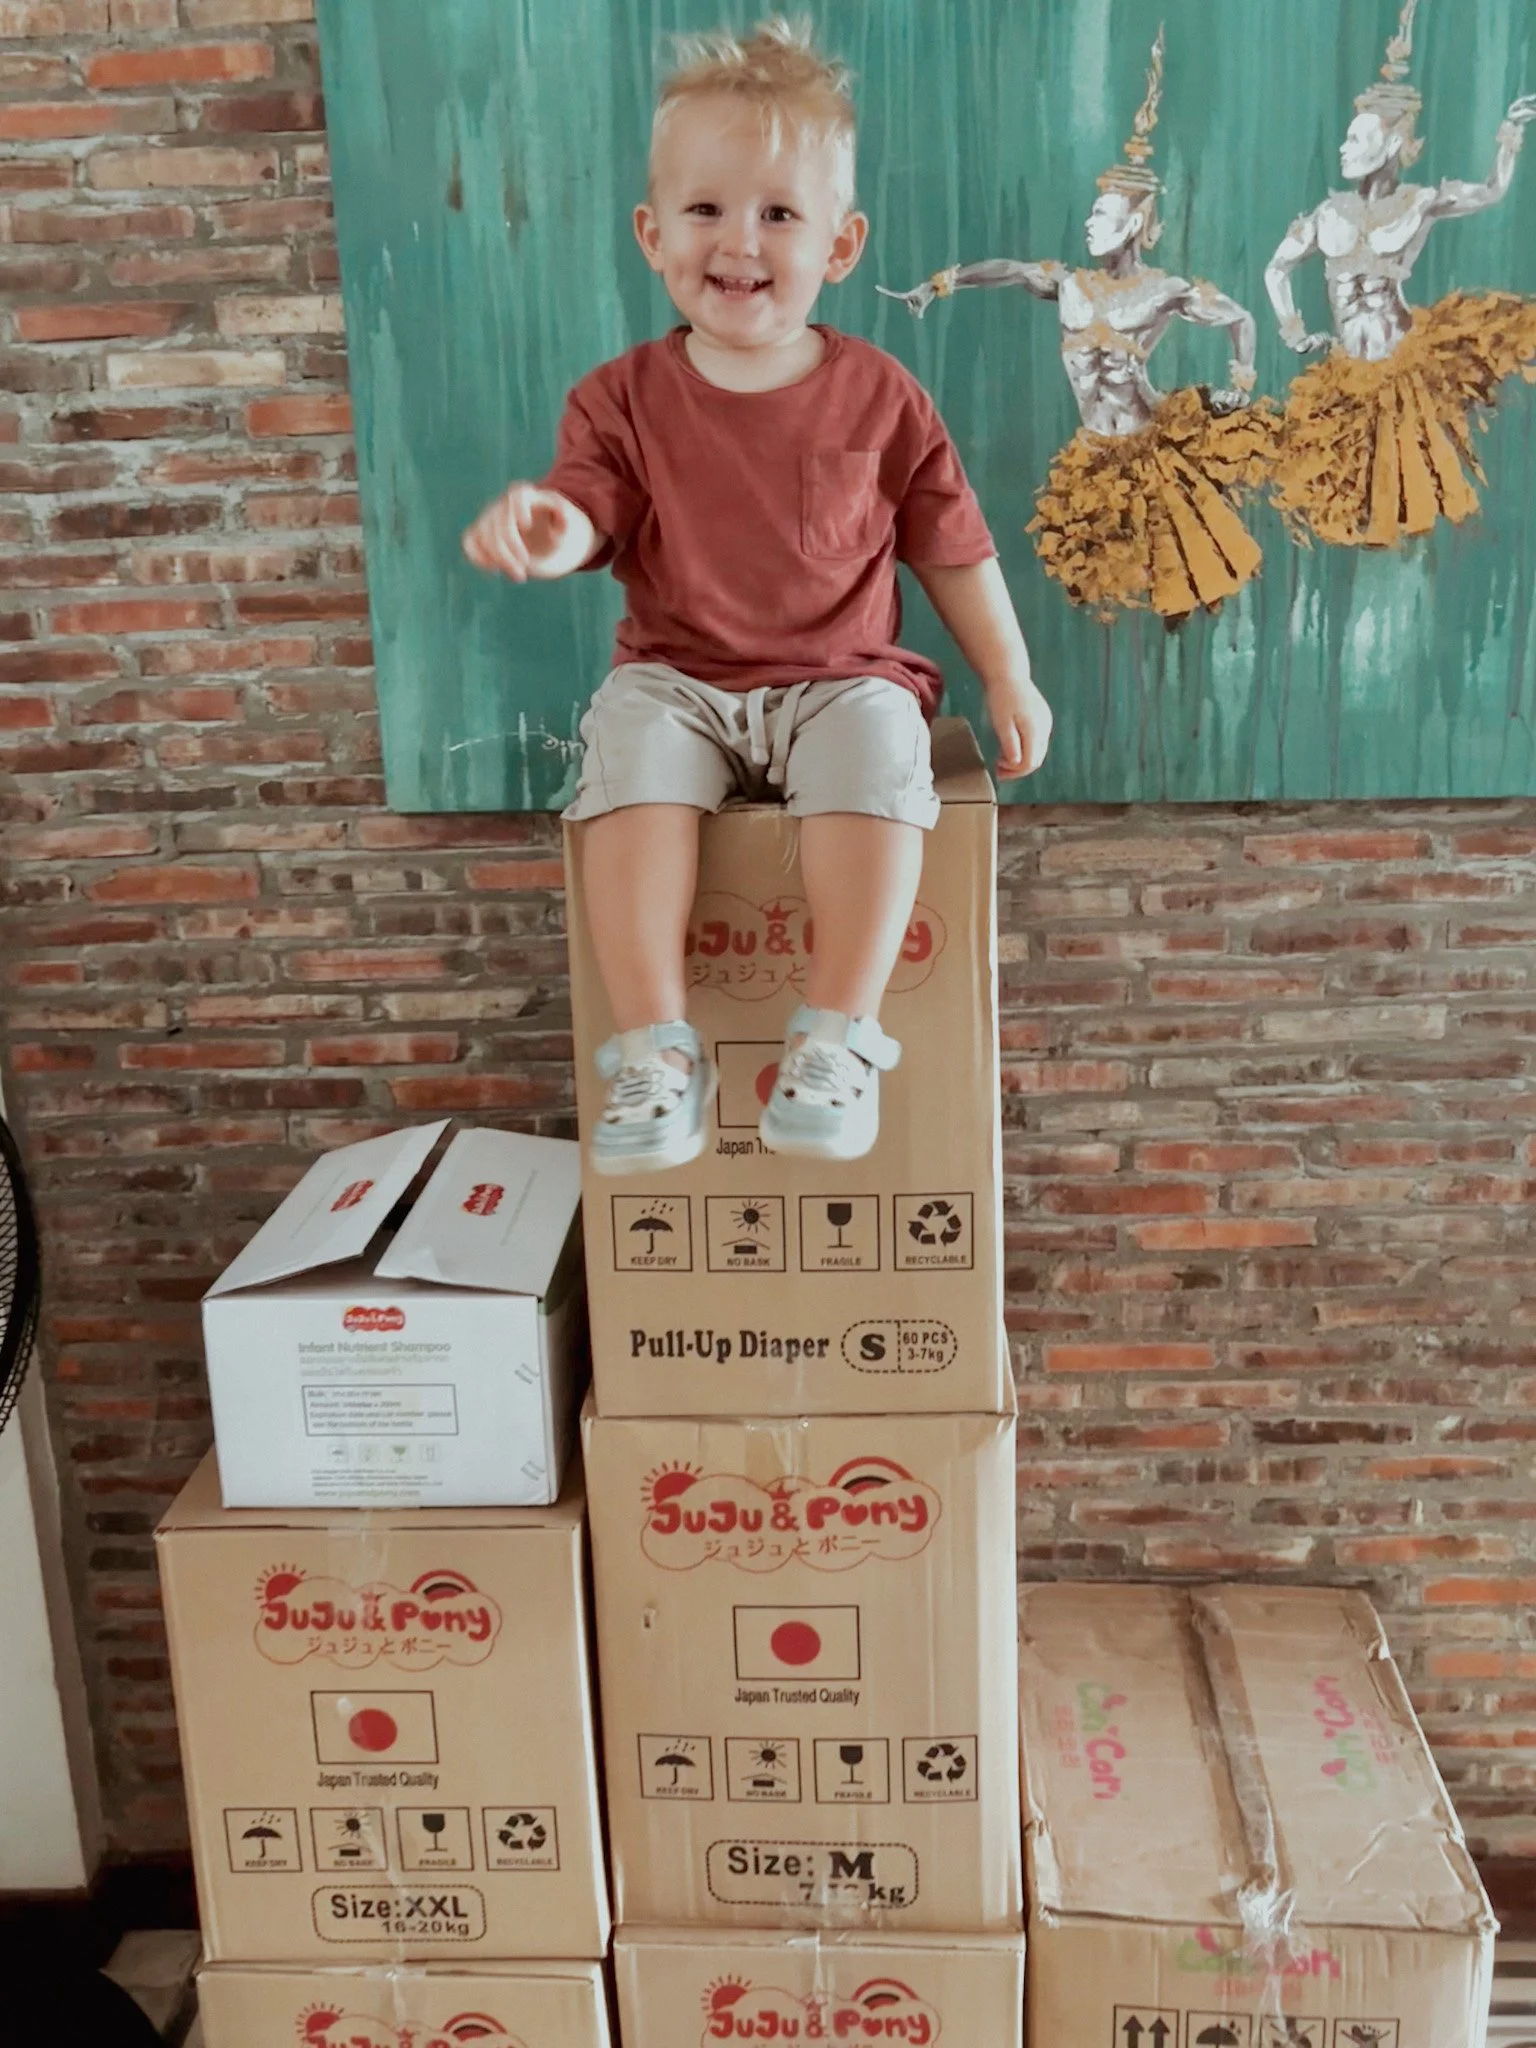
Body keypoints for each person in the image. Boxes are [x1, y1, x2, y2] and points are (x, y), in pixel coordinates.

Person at [463, 17, 1051, 1175]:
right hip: (679, 678)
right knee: (622, 753)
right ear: (653, 232)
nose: (741, 241)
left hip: (838, 680)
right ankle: (656, 1053)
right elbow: (593, 501)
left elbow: (950, 541)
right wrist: (552, 525)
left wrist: (1008, 670)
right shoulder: (619, 398)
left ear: (841, 244)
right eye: (707, 210)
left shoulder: (881, 396)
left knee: (889, 749)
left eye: (780, 213)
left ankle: (834, 1038)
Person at [882, 31, 1278, 623]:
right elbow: (1013, 272)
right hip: (1093, 454)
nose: (1091, 223)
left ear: (1136, 222)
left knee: (1185, 579)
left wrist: (1239, 383)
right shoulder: (1070, 284)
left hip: (1147, 445)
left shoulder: (1161, 291)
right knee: (1097, 584)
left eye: (1104, 214)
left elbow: (1240, 318)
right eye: (1092, 212)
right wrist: (941, 283)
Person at [1265, 0, 1536, 548]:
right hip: (1347, 373)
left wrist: (1509, 136)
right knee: (1342, 497)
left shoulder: (1420, 203)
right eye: (1345, 137)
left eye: (1357, 139)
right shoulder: (1326, 215)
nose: (1344, 147)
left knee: (1411, 495)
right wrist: (1293, 330)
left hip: (1404, 361)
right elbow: (1276, 270)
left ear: (1391, 145)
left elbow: (1490, 192)